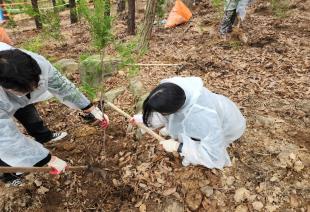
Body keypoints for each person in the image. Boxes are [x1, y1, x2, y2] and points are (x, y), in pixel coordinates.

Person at [0, 42, 109, 186]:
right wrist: (46, 160)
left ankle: (43, 136)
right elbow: (4, 137)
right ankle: (7, 174)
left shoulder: (35, 63)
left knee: (27, 110)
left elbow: (62, 86)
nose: (34, 89)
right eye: (26, 90)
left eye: (36, 85)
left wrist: (88, 107)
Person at [131, 77, 246, 169]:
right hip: (211, 115)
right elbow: (165, 112)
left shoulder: (203, 117)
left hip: (229, 127)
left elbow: (213, 155)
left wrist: (180, 147)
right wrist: (143, 119)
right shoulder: (173, 89)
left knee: (199, 142)